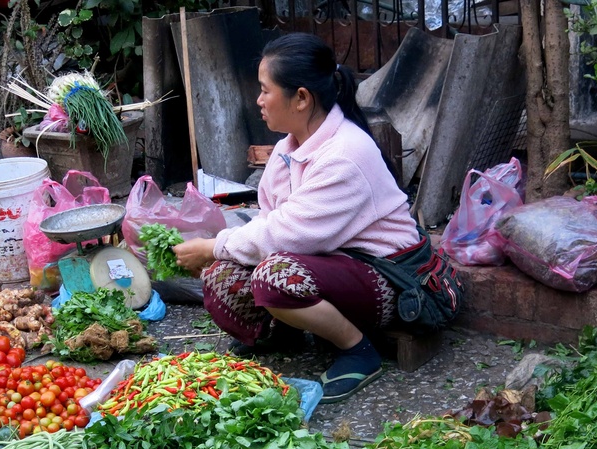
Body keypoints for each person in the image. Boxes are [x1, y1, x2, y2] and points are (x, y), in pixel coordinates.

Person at [172, 32, 421, 404]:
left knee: (273, 278)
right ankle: (284, 330)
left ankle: (358, 351)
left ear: (301, 98)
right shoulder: (288, 147)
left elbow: (286, 235)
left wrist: (212, 246)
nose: (258, 100)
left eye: (265, 90)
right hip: (328, 263)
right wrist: (219, 256)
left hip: (387, 277)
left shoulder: (345, 154)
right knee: (222, 280)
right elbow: (271, 220)